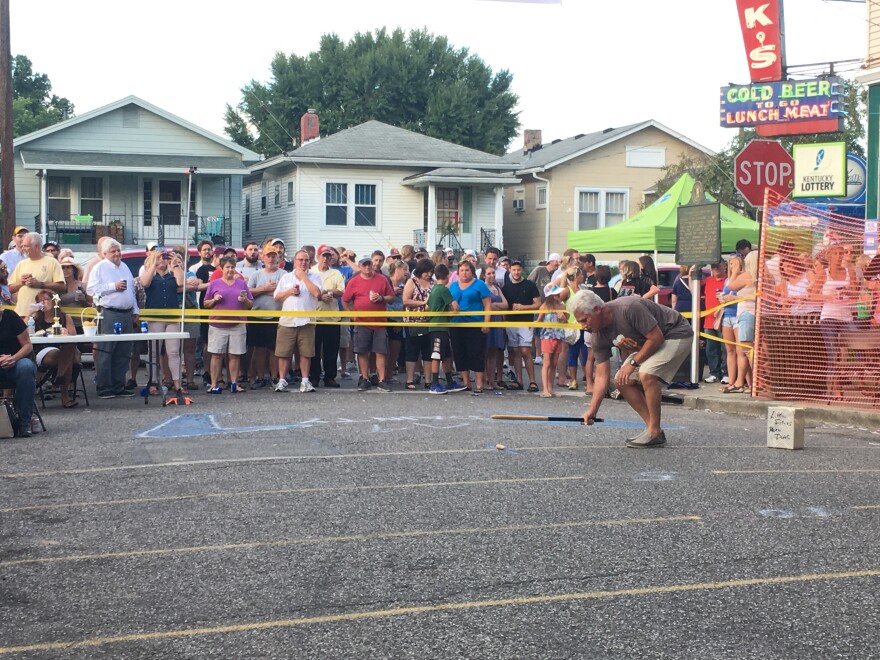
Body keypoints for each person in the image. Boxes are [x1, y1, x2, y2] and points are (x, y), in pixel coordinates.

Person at [572, 289, 693, 448]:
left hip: (676, 332)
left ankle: (654, 431)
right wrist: (592, 410)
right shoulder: (597, 336)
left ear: (597, 310)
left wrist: (632, 363)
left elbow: (656, 337)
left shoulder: (628, 308)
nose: (583, 326)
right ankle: (653, 430)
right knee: (621, 381)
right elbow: (602, 376)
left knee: (646, 374)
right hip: (652, 343)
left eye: (584, 320)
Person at [86, 238, 138, 399]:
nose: (117, 254)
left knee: (123, 351)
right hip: (109, 313)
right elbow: (91, 289)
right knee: (107, 350)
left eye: (118, 251)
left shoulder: (124, 267)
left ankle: (118, 385)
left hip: (126, 313)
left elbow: (131, 291)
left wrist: (135, 309)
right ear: (104, 253)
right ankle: (104, 387)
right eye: (113, 251)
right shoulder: (100, 268)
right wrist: (112, 286)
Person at [342, 256, 396, 392]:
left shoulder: (382, 279)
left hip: (380, 322)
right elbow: (345, 300)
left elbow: (391, 297)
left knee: (381, 352)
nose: (367, 267)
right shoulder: (354, 281)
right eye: (364, 265)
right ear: (359, 267)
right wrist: (352, 315)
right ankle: (364, 378)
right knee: (362, 351)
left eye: (369, 265)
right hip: (362, 322)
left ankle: (381, 380)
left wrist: (381, 298)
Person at [273, 249, 322, 393]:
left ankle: (305, 381)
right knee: (283, 353)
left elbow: (317, 293)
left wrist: (304, 278)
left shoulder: (315, 277)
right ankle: (282, 380)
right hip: (287, 321)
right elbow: (277, 297)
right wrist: (289, 292)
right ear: (294, 261)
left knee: (306, 353)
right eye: (300, 260)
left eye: (306, 260)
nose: (303, 263)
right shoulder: (286, 278)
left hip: (306, 321)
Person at [203, 255, 253, 394]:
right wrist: (214, 300)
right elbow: (205, 303)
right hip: (218, 324)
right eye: (227, 267)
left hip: (237, 324)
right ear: (221, 268)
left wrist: (244, 300)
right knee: (216, 355)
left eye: (232, 267)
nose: (230, 270)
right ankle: (214, 384)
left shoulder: (242, 284)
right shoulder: (214, 283)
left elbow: (250, 303)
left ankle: (234, 383)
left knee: (235, 355)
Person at [139, 248, 186, 395]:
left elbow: (181, 282)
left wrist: (175, 264)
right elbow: (144, 283)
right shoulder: (149, 274)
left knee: (173, 351)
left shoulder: (171, 274)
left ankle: (177, 383)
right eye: (160, 258)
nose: (162, 260)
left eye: (164, 258)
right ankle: (153, 382)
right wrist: (154, 263)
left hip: (172, 317)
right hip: (155, 317)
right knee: (154, 351)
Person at [30, 289, 81, 408]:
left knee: (69, 348)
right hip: (44, 350)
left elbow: (73, 336)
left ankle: (59, 376)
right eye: (40, 300)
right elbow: (28, 335)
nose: (43, 302)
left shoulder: (64, 317)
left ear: (53, 301)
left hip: (64, 348)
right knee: (67, 358)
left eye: (46, 299)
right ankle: (65, 397)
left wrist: (66, 332)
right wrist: (29, 314)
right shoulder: (35, 319)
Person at [245, 242, 284, 389]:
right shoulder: (256, 274)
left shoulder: (284, 274)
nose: (271, 259)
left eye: (274, 256)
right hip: (257, 315)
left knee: (274, 349)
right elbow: (248, 292)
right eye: (268, 256)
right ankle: (260, 377)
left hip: (276, 316)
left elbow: (285, 293)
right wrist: (265, 289)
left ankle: (274, 377)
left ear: (278, 258)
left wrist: (270, 293)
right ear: (263, 258)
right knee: (259, 349)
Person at [449, 260, 492, 392]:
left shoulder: (480, 285)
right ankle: (466, 383)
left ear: (472, 271)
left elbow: (487, 305)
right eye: (461, 270)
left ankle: (479, 383)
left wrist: (486, 322)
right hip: (456, 324)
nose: (464, 273)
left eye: (467, 270)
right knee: (459, 353)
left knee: (477, 353)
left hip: (474, 324)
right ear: (458, 272)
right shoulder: (453, 285)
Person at [502, 260, 541, 392]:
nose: (516, 272)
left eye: (518, 270)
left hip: (526, 322)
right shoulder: (506, 288)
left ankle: (532, 381)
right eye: (514, 270)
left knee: (525, 350)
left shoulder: (530, 285)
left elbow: (538, 304)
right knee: (515, 351)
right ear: (510, 271)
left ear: (522, 270)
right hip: (511, 323)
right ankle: (519, 381)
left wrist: (523, 307)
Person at [310, 244, 345, 388]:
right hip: (314, 317)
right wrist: (320, 295)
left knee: (331, 349)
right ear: (318, 257)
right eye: (323, 256)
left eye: (328, 256)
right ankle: (314, 376)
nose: (325, 259)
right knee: (314, 349)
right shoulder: (310, 272)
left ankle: (330, 377)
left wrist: (328, 292)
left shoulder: (336, 273)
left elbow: (341, 291)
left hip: (332, 317)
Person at [8, 232, 65, 316]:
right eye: (22, 246)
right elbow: (11, 289)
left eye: (26, 246)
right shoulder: (21, 264)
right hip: (21, 313)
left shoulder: (52, 262)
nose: (23, 248)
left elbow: (62, 287)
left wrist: (40, 284)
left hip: (42, 316)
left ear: (37, 247)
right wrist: (22, 282)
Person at [0, 307, 37, 437]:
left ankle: (24, 422)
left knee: (26, 367)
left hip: (16, 361)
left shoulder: (10, 316)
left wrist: (12, 358)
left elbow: (27, 345)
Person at [425, 263, 460, 394]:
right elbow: (455, 306)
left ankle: (450, 382)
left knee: (446, 355)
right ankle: (434, 384)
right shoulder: (443, 289)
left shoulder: (433, 289)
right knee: (437, 354)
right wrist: (451, 314)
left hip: (437, 325)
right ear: (447, 275)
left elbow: (427, 307)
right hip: (439, 327)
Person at [402, 258, 435, 390]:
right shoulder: (412, 282)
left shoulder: (434, 283)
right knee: (412, 350)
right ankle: (409, 379)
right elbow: (406, 300)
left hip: (429, 321)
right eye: (426, 272)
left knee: (428, 351)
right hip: (413, 321)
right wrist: (423, 303)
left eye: (430, 272)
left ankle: (428, 379)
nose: (428, 274)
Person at [536, 283, 568, 398]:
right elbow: (539, 320)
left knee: (554, 363)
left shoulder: (562, 306)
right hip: (547, 335)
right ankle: (545, 389)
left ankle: (550, 388)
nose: (559, 294)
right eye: (556, 293)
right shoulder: (545, 306)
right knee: (547, 362)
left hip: (558, 335)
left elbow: (566, 321)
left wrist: (564, 318)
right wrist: (532, 325)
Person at [481, 264, 508, 390]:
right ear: (484, 275)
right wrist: (494, 306)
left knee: (493, 352)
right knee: (484, 351)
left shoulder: (497, 288)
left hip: (497, 321)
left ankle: (492, 380)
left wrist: (495, 305)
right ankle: (484, 379)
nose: (492, 276)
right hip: (487, 320)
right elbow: (486, 305)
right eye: (489, 273)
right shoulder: (482, 287)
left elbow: (505, 304)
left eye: (493, 273)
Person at [702, 260, 728, 385]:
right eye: (713, 266)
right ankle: (714, 373)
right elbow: (693, 290)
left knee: (725, 348)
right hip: (709, 320)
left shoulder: (728, 281)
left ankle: (726, 373)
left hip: (723, 319)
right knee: (711, 349)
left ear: (725, 266)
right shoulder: (707, 280)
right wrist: (691, 276)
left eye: (718, 265)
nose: (716, 268)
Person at [384, 259, 410, 382]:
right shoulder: (386, 282)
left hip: (398, 319)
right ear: (397, 269)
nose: (407, 272)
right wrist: (391, 293)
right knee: (384, 349)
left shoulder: (405, 286)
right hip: (385, 318)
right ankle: (381, 375)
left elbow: (406, 305)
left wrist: (401, 320)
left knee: (395, 348)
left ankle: (389, 375)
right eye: (404, 269)